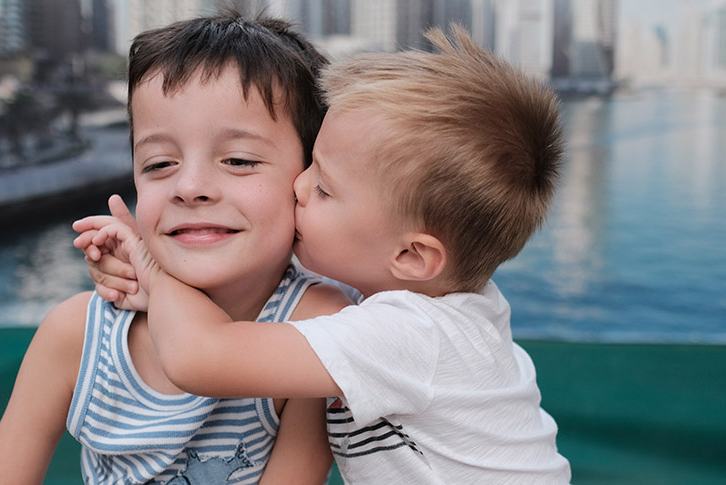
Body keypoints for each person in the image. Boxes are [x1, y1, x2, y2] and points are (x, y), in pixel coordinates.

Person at [79, 25, 571, 484]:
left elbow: (198, 358)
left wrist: (154, 271)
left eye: (325, 188)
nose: (298, 184)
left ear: (413, 256)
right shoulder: (440, 300)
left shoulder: (407, 334)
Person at [0, 9, 349, 484]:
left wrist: (155, 280)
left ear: (308, 179)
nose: (190, 187)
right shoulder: (75, 333)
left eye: (237, 159)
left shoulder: (316, 325)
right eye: (158, 164)